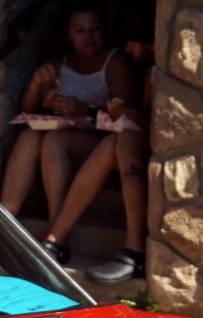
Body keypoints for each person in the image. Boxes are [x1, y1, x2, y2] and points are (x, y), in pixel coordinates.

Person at [0, 4, 139, 264]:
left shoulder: (114, 62)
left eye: (95, 29)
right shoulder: (60, 62)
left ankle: (55, 231)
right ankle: (4, 221)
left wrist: (83, 110)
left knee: (54, 140)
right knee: (29, 136)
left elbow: (126, 116)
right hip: (67, 136)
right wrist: (36, 85)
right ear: (68, 34)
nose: (89, 37)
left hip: (101, 141)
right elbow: (28, 107)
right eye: (80, 31)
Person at [46, 38, 153, 284]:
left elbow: (158, 122)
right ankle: (55, 239)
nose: (127, 49)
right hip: (120, 140)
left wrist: (93, 112)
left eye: (134, 43)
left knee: (123, 141)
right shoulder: (146, 69)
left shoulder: (161, 72)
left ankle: (135, 250)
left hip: (147, 150)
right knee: (111, 143)